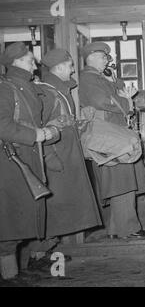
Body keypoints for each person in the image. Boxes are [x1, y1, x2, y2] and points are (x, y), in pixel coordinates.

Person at [22, 48, 103, 269]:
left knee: (62, 209)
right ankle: (34, 256)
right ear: (58, 68)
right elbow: (37, 128)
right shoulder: (46, 92)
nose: (74, 69)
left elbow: (61, 123)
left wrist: (79, 123)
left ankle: (41, 253)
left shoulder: (60, 91)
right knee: (54, 209)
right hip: (55, 160)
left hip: (66, 157)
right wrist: (49, 158)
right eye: (70, 65)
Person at [78, 42, 145, 239]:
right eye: (103, 56)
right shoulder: (88, 78)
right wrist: (127, 102)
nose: (107, 60)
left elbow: (116, 96)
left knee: (122, 181)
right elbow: (103, 102)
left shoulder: (101, 77)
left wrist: (116, 81)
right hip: (107, 138)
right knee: (120, 182)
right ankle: (128, 228)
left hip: (114, 135)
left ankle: (117, 229)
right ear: (90, 57)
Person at [0, 42, 58, 281]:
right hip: (10, 161)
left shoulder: (25, 86)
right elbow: (2, 125)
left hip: (25, 159)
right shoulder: (5, 88)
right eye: (28, 60)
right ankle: (10, 275)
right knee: (10, 221)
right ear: (14, 62)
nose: (34, 64)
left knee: (22, 219)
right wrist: (36, 135)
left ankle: (16, 271)